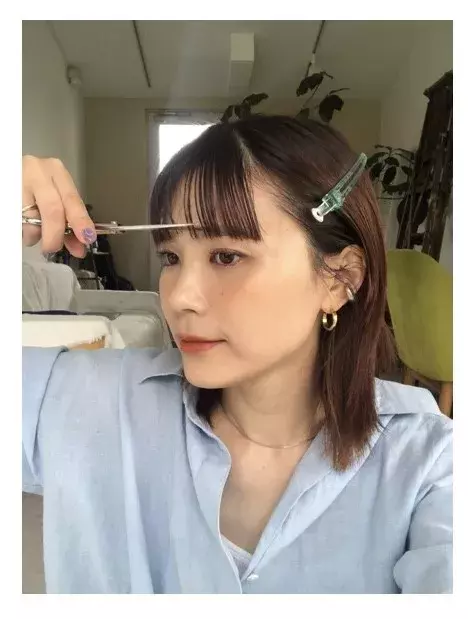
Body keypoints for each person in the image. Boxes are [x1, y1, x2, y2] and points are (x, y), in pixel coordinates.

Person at [22, 116, 452, 594]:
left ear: (339, 279)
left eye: (226, 256)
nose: (179, 297)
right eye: (170, 258)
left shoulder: (428, 463)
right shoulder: (84, 399)